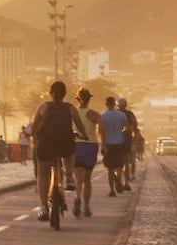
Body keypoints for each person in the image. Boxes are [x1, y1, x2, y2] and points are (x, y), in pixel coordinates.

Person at [30, 81, 88, 221]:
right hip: (64, 142)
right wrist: (84, 135)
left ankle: (43, 207)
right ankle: (68, 176)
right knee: (69, 152)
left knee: (43, 174)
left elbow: (34, 128)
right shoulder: (70, 108)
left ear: (51, 93)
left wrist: (34, 138)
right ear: (65, 94)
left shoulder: (43, 107)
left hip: (46, 143)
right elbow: (80, 126)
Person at [71, 87, 101, 218]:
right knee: (87, 179)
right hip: (90, 146)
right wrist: (104, 145)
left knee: (78, 179)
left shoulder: (72, 113)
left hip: (76, 145)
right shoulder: (94, 114)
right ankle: (86, 207)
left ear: (77, 99)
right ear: (89, 99)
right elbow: (101, 130)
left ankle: (77, 197)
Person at [99, 97, 130, 197]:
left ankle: (112, 190)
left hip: (108, 143)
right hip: (119, 142)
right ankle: (119, 179)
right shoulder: (121, 115)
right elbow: (127, 128)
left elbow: (101, 131)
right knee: (119, 165)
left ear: (106, 104)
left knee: (110, 168)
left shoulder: (103, 116)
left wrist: (103, 144)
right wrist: (120, 132)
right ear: (114, 104)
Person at [117, 97, 138, 190]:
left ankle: (118, 181)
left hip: (115, 140)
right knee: (126, 162)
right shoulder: (129, 114)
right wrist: (135, 135)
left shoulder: (115, 114)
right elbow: (135, 125)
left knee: (117, 162)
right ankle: (126, 183)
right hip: (126, 140)